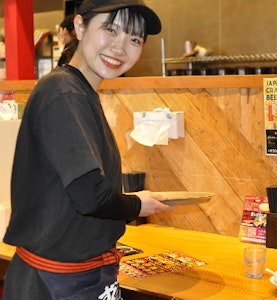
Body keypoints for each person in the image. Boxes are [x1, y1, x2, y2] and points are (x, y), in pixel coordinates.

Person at [2, 1, 172, 299]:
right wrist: (136, 204)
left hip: (80, 275)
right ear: (80, 27)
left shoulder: (80, 92)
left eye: (134, 39)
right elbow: (90, 195)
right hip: (50, 282)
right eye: (110, 29)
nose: (120, 47)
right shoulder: (62, 91)